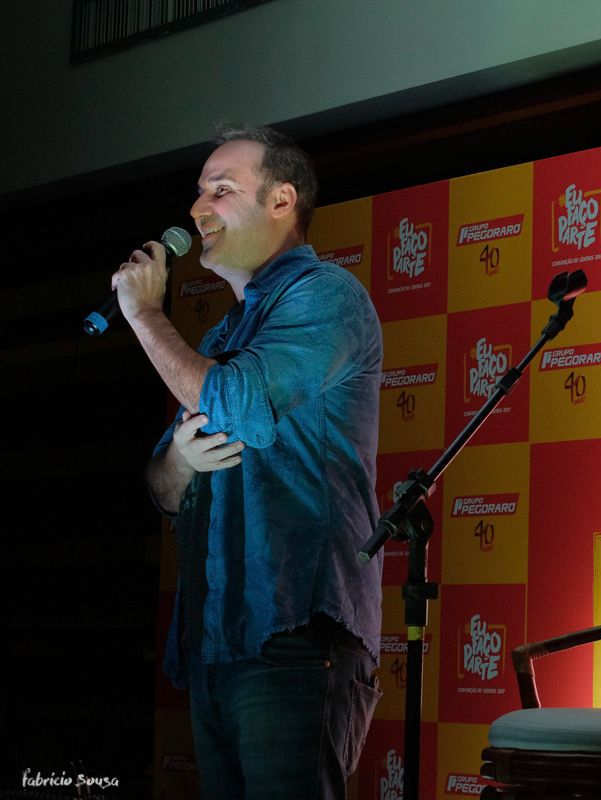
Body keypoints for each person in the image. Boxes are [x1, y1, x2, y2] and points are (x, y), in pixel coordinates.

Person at [112, 123, 384, 799]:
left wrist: (146, 314)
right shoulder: (221, 335)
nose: (199, 209)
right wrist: (177, 459)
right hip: (219, 636)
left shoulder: (327, 296)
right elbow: (161, 488)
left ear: (282, 200)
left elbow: (240, 404)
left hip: (293, 632)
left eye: (221, 190)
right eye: (198, 192)